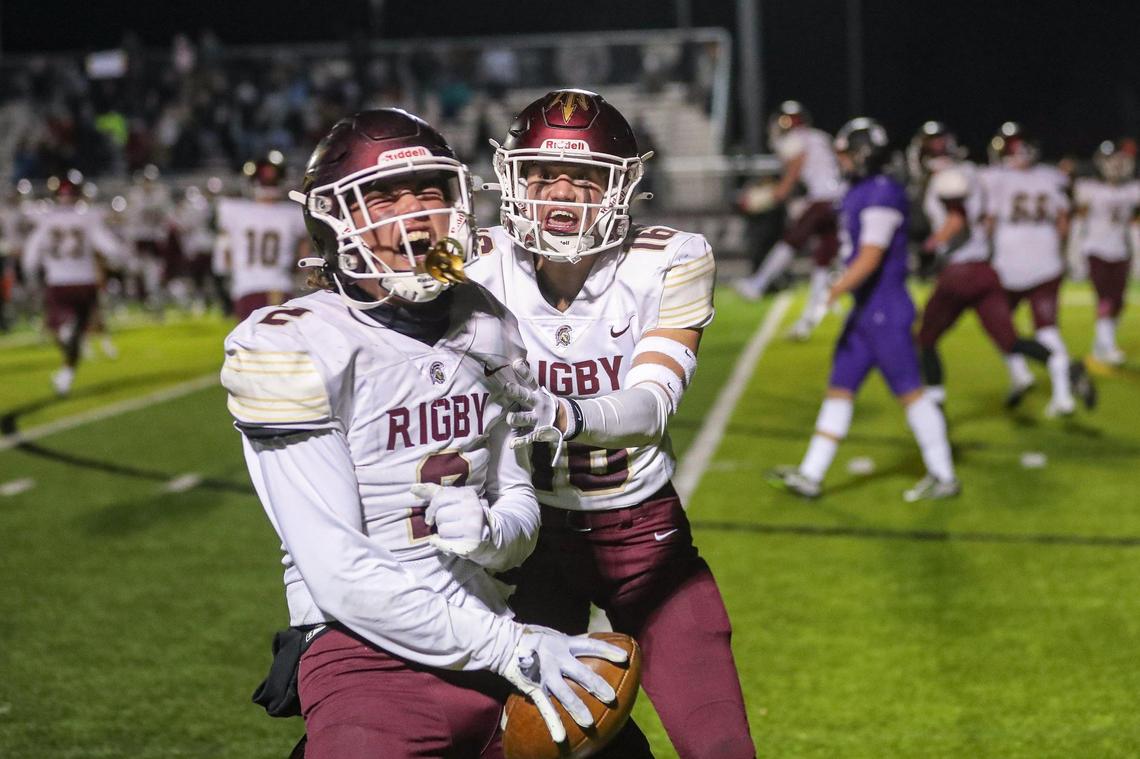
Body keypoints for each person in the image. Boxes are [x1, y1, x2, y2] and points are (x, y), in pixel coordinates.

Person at [222, 109, 624, 759]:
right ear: (333, 219)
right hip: (367, 652)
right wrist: (511, 648)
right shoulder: (293, 345)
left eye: (429, 191)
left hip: (492, 624)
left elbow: (518, 503)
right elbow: (339, 572)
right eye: (383, 196)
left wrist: (491, 533)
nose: (413, 213)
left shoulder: (486, 321)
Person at [468, 89, 755, 759]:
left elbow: (651, 404)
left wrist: (566, 413)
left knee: (719, 743)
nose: (562, 193)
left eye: (585, 175)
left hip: (642, 536)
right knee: (522, 744)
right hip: (527, 542)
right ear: (513, 179)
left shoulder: (668, 259)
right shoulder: (478, 262)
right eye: (544, 174)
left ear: (620, 187)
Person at [768, 118, 959, 502]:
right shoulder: (859, 190)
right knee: (839, 390)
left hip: (885, 311)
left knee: (911, 393)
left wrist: (834, 289)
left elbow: (871, 256)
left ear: (862, 154)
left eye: (845, 154)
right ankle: (811, 473)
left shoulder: (882, 192)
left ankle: (944, 475)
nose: (840, 160)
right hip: (865, 312)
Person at [908, 121, 1092, 409]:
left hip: (961, 273)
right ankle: (1063, 366)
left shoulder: (955, 177)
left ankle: (935, 403)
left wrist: (928, 248)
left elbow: (956, 218)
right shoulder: (977, 173)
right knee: (1010, 340)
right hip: (987, 273)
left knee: (925, 339)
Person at [985, 122, 1092, 417]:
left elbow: (989, 222)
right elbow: (1063, 223)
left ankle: (1020, 373)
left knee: (999, 325)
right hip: (1046, 261)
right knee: (1047, 329)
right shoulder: (1050, 176)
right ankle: (1062, 396)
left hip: (1008, 264)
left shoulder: (997, 178)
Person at [735, 100, 844, 340]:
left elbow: (794, 172)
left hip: (822, 199)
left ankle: (758, 284)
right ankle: (808, 321)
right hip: (840, 198)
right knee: (824, 259)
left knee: (791, 241)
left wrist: (772, 195)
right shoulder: (820, 136)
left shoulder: (795, 140)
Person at [21, 173, 126, 396]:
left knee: (60, 331)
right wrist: (118, 258)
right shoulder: (87, 217)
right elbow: (108, 245)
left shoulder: (47, 218)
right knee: (77, 333)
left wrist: (30, 272)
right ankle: (66, 375)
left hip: (58, 282)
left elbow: (32, 251)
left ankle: (66, 359)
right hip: (84, 282)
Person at [213, 152, 311, 321]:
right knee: (280, 336)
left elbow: (223, 258)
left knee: (249, 336)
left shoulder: (233, 210)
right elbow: (303, 259)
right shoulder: (293, 214)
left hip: (245, 289)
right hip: (278, 287)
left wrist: (227, 274)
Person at [1071, 139, 1140, 365]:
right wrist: (1074, 252)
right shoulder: (1089, 188)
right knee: (1105, 299)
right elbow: (1078, 223)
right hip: (1095, 249)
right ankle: (1108, 345)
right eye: (1112, 161)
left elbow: (1135, 224)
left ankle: (1102, 342)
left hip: (1120, 250)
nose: (1117, 165)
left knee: (1118, 302)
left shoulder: (1132, 190)